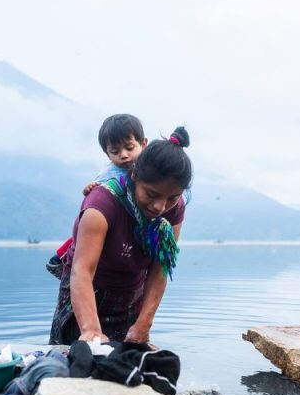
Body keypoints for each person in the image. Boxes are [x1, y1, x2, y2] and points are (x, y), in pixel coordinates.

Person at [49, 126, 192, 345]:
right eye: (151, 194)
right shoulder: (101, 205)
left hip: (130, 296)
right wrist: (90, 329)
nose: (160, 207)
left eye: (171, 198)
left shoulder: (175, 208)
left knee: (127, 364)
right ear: (134, 175)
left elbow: (160, 269)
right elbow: (82, 271)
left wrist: (144, 324)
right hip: (87, 293)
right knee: (79, 357)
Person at [46, 113, 148, 278]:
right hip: (108, 221)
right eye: (115, 151)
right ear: (108, 154)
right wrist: (90, 188)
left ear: (143, 144)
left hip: (131, 224)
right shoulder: (110, 172)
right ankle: (60, 260)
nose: (123, 155)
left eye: (129, 148)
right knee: (82, 238)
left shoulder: (149, 169)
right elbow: (97, 192)